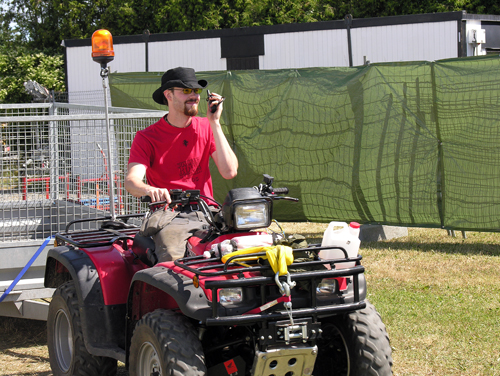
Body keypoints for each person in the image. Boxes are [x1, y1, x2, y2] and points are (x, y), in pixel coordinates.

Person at [125, 67, 238, 262]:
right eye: (186, 91)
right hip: (169, 215)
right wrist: (149, 189)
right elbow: (132, 181)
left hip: (207, 211)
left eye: (196, 91)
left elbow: (229, 171)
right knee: (173, 260)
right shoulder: (147, 137)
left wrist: (215, 123)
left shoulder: (206, 126)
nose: (194, 95)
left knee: (247, 246)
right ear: (168, 95)